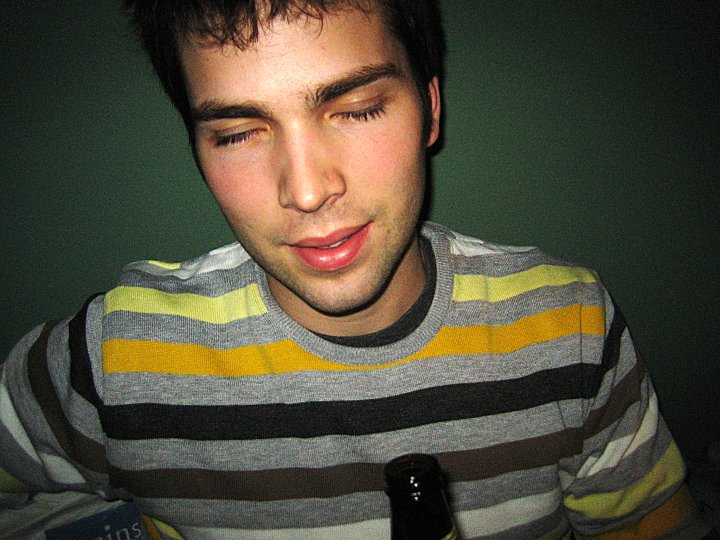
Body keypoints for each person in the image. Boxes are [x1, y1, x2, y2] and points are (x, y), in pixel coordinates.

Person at [0, 0, 713, 538]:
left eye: (359, 109)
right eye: (239, 133)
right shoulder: (120, 355)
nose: (308, 190)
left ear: (429, 109)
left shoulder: (568, 325)